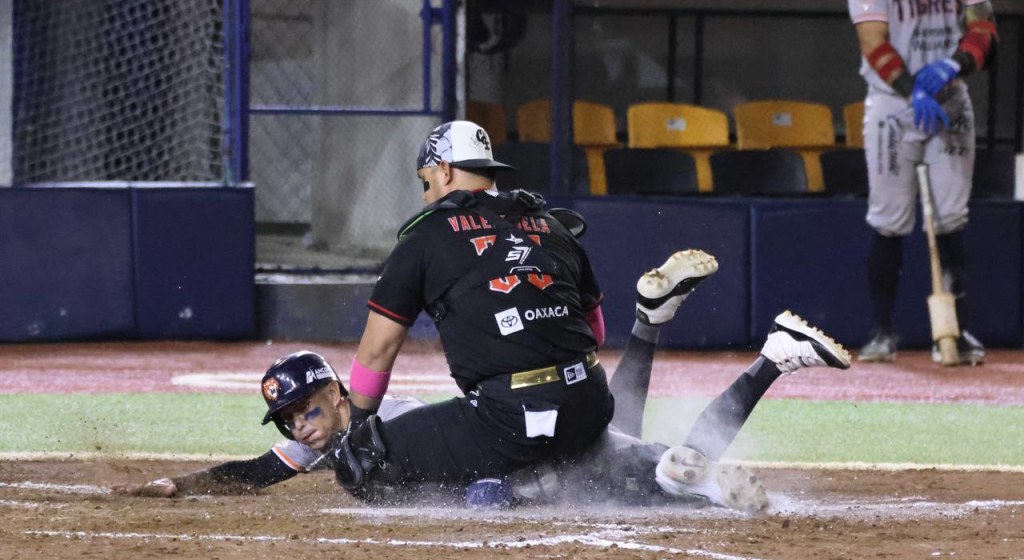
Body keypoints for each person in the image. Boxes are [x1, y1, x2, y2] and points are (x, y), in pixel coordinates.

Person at [121, 248, 852, 514]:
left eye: (305, 412)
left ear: (336, 394)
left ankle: (764, 361)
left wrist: (502, 486)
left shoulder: (380, 430)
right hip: (537, 433)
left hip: (524, 449)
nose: (299, 429)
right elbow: (255, 473)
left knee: (661, 480)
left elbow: (460, 449)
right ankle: (664, 326)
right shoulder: (336, 444)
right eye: (291, 422)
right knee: (636, 445)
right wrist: (179, 485)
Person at [847, 0, 997, 365]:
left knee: (951, 217)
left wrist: (954, 64)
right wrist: (913, 90)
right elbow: (872, 42)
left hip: (951, 96)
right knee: (888, 218)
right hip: (893, 102)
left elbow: (983, 29)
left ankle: (955, 330)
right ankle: (882, 332)